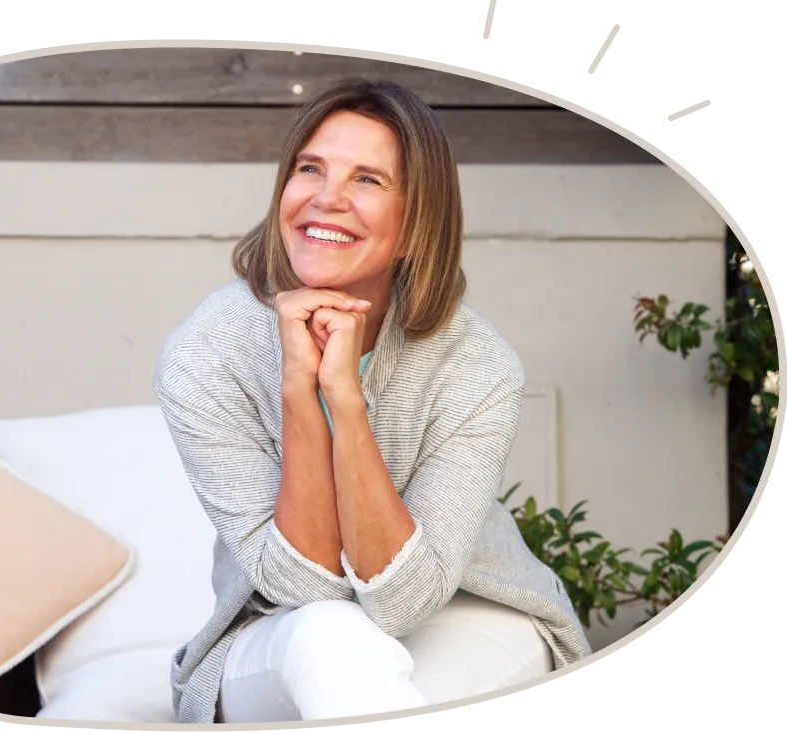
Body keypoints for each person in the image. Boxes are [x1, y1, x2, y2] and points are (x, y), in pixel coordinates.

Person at [152, 76, 591, 725]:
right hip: (277, 631)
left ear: (416, 226)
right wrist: (300, 393)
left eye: (368, 180)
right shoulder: (206, 354)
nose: (326, 200)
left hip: (464, 610)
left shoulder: (475, 365)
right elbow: (307, 590)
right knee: (334, 635)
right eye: (310, 169)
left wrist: (344, 398)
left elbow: (403, 602)